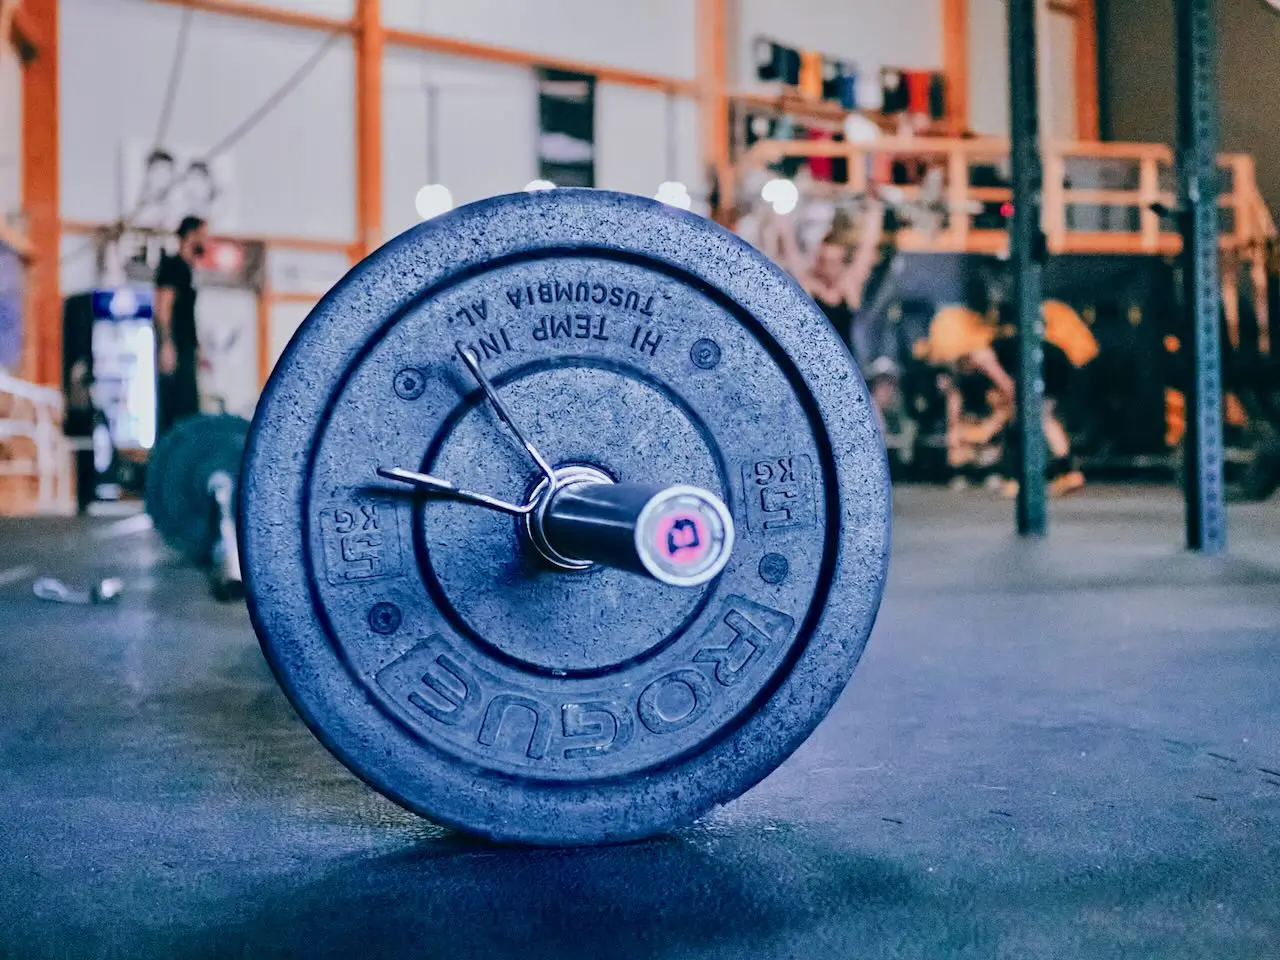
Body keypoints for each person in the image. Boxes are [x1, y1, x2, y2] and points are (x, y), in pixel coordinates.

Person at [762, 192, 888, 364]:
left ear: (841, 262)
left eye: (832, 262)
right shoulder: (809, 284)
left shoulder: (848, 285)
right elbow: (791, 249)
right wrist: (780, 217)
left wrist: (875, 212)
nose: (827, 267)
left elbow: (866, 249)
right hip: (814, 359)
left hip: (845, 361)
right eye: (823, 261)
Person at [153, 215, 208, 437]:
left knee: (189, 408)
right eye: (203, 235)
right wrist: (166, 344)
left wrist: (198, 348)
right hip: (176, 350)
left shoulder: (188, 270)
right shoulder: (172, 266)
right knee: (175, 409)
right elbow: (163, 307)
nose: (206, 240)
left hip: (187, 348)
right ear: (191, 235)